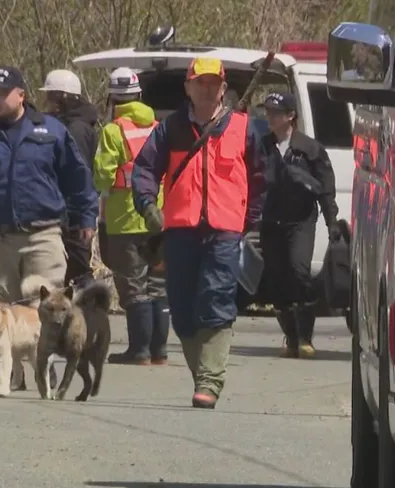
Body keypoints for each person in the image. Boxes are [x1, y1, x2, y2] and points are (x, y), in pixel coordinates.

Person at [131, 58, 264, 408]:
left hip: (224, 231)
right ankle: (203, 373)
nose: (207, 89)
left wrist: (250, 222)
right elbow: (145, 168)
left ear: (223, 88)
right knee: (183, 306)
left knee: (216, 299)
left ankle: (209, 380)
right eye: (199, 83)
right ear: (188, 87)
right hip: (180, 230)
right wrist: (146, 204)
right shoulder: (169, 128)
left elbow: (262, 178)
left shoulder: (244, 128)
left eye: (213, 83)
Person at [0, 64, 99, 301]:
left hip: (42, 237)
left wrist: (86, 217)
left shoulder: (51, 130)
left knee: (45, 315)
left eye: (2, 93)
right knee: (2, 320)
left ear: (21, 95)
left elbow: (77, 177)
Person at [92, 67, 168, 366]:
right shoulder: (157, 128)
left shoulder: (113, 131)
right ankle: (160, 352)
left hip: (124, 220)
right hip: (158, 217)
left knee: (134, 287)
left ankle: (139, 351)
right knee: (158, 285)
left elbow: (101, 177)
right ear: (139, 95)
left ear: (113, 98)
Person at [259, 91, 340, 358]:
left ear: (291, 115)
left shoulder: (310, 148)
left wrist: (331, 223)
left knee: (299, 272)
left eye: (276, 112)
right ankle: (292, 339)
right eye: (268, 112)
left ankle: (306, 337)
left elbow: (326, 189)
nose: (270, 117)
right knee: (277, 280)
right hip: (271, 221)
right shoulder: (262, 146)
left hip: (300, 221)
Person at [39, 69, 99, 288]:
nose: (47, 102)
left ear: (63, 99)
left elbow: (78, 174)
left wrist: (80, 215)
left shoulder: (75, 129)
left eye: (51, 96)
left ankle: (91, 319)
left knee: (79, 272)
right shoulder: (72, 126)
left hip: (72, 214)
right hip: (68, 210)